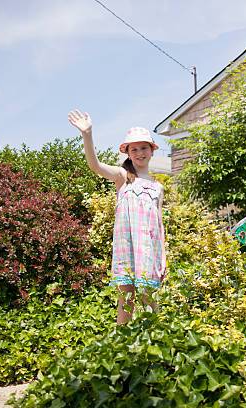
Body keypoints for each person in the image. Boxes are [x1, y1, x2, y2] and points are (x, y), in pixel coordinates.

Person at [68, 109, 166, 325]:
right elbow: (95, 166)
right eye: (134, 149)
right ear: (128, 153)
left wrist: (163, 257)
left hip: (149, 248)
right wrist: (87, 134)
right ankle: (121, 348)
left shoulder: (158, 187)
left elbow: (159, 225)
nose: (139, 153)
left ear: (151, 151)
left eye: (143, 148)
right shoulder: (123, 177)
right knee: (127, 299)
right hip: (127, 246)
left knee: (149, 297)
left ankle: (156, 341)